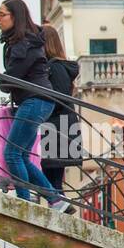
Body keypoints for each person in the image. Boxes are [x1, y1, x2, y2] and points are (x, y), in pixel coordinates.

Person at [0, 0, 70, 210]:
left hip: (34, 100)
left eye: (2, 15)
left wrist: (3, 82)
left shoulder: (23, 44)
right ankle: (55, 200)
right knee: (21, 155)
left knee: (12, 154)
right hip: (37, 100)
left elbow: (12, 77)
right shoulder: (23, 41)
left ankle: (25, 204)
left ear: (15, 17)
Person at [38, 24, 83, 196]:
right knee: (52, 178)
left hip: (58, 127)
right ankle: (59, 206)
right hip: (58, 126)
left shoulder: (55, 67)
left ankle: (60, 206)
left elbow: (60, 98)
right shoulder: (54, 66)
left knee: (53, 180)